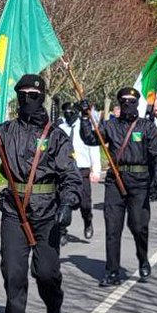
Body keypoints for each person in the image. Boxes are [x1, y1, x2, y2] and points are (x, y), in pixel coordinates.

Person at [0, 77, 82, 313]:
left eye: (33, 93)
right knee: (13, 273)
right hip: (14, 210)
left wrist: (67, 203)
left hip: (47, 212)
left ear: (42, 96)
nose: (27, 98)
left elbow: (70, 175)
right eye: (22, 93)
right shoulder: (6, 130)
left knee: (46, 272)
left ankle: (53, 306)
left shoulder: (55, 136)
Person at [79, 87, 157, 287]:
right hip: (115, 181)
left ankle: (143, 259)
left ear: (137, 103)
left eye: (131, 101)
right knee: (112, 228)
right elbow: (91, 138)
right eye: (123, 101)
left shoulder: (146, 126)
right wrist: (84, 117)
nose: (127, 104)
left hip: (139, 181)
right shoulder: (110, 125)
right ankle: (112, 272)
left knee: (138, 226)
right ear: (119, 103)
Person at [58, 101, 98, 240]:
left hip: (82, 170)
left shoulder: (85, 127)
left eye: (71, 112)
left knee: (85, 204)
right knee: (62, 202)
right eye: (66, 112)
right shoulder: (60, 128)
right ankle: (62, 231)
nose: (68, 114)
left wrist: (96, 170)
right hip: (65, 171)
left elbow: (93, 149)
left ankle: (88, 221)